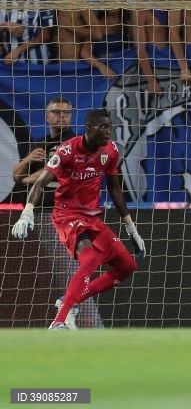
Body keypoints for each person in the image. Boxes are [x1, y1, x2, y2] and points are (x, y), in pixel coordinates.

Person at [11, 109, 145, 330]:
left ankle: (69, 301)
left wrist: (132, 229)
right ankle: (58, 321)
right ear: (88, 128)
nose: (108, 131)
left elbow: (115, 190)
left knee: (127, 266)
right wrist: (27, 213)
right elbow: (40, 183)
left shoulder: (111, 150)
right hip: (67, 215)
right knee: (89, 259)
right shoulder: (67, 150)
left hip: (92, 217)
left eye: (110, 127)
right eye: (103, 127)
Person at [12, 97, 75, 208]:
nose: (62, 115)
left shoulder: (75, 142)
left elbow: (52, 171)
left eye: (66, 112)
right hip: (34, 206)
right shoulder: (40, 143)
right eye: (56, 112)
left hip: (60, 206)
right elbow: (16, 176)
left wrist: (25, 180)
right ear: (47, 117)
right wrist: (28, 160)